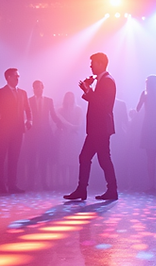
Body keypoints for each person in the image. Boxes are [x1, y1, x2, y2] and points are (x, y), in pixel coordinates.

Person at [64, 52, 118, 201]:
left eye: (92, 63)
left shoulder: (107, 81)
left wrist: (87, 90)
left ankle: (111, 190)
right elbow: (97, 101)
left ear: (100, 63)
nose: (90, 66)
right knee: (87, 157)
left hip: (100, 128)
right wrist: (88, 89)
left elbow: (103, 104)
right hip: (97, 128)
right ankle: (84, 189)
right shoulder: (103, 80)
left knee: (102, 158)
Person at [0, 68, 31, 194]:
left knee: (14, 158)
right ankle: (1, 185)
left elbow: (28, 109)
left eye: (18, 76)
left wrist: (29, 120)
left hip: (18, 129)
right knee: (1, 157)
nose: (17, 78)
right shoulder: (0, 92)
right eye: (15, 76)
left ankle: (12, 184)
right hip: (4, 129)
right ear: (8, 77)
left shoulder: (23, 93)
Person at [26, 80, 63, 190]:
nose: (38, 89)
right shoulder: (29, 101)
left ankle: (44, 182)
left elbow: (53, 115)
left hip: (45, 133)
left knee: (44, 158)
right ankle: (31, 183)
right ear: (33, 89)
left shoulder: (49, 101)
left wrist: (59, 124)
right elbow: (27, 116)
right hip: (32, 133)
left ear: (43, 88)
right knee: (31, 159)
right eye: (35, 87)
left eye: (39, 87)